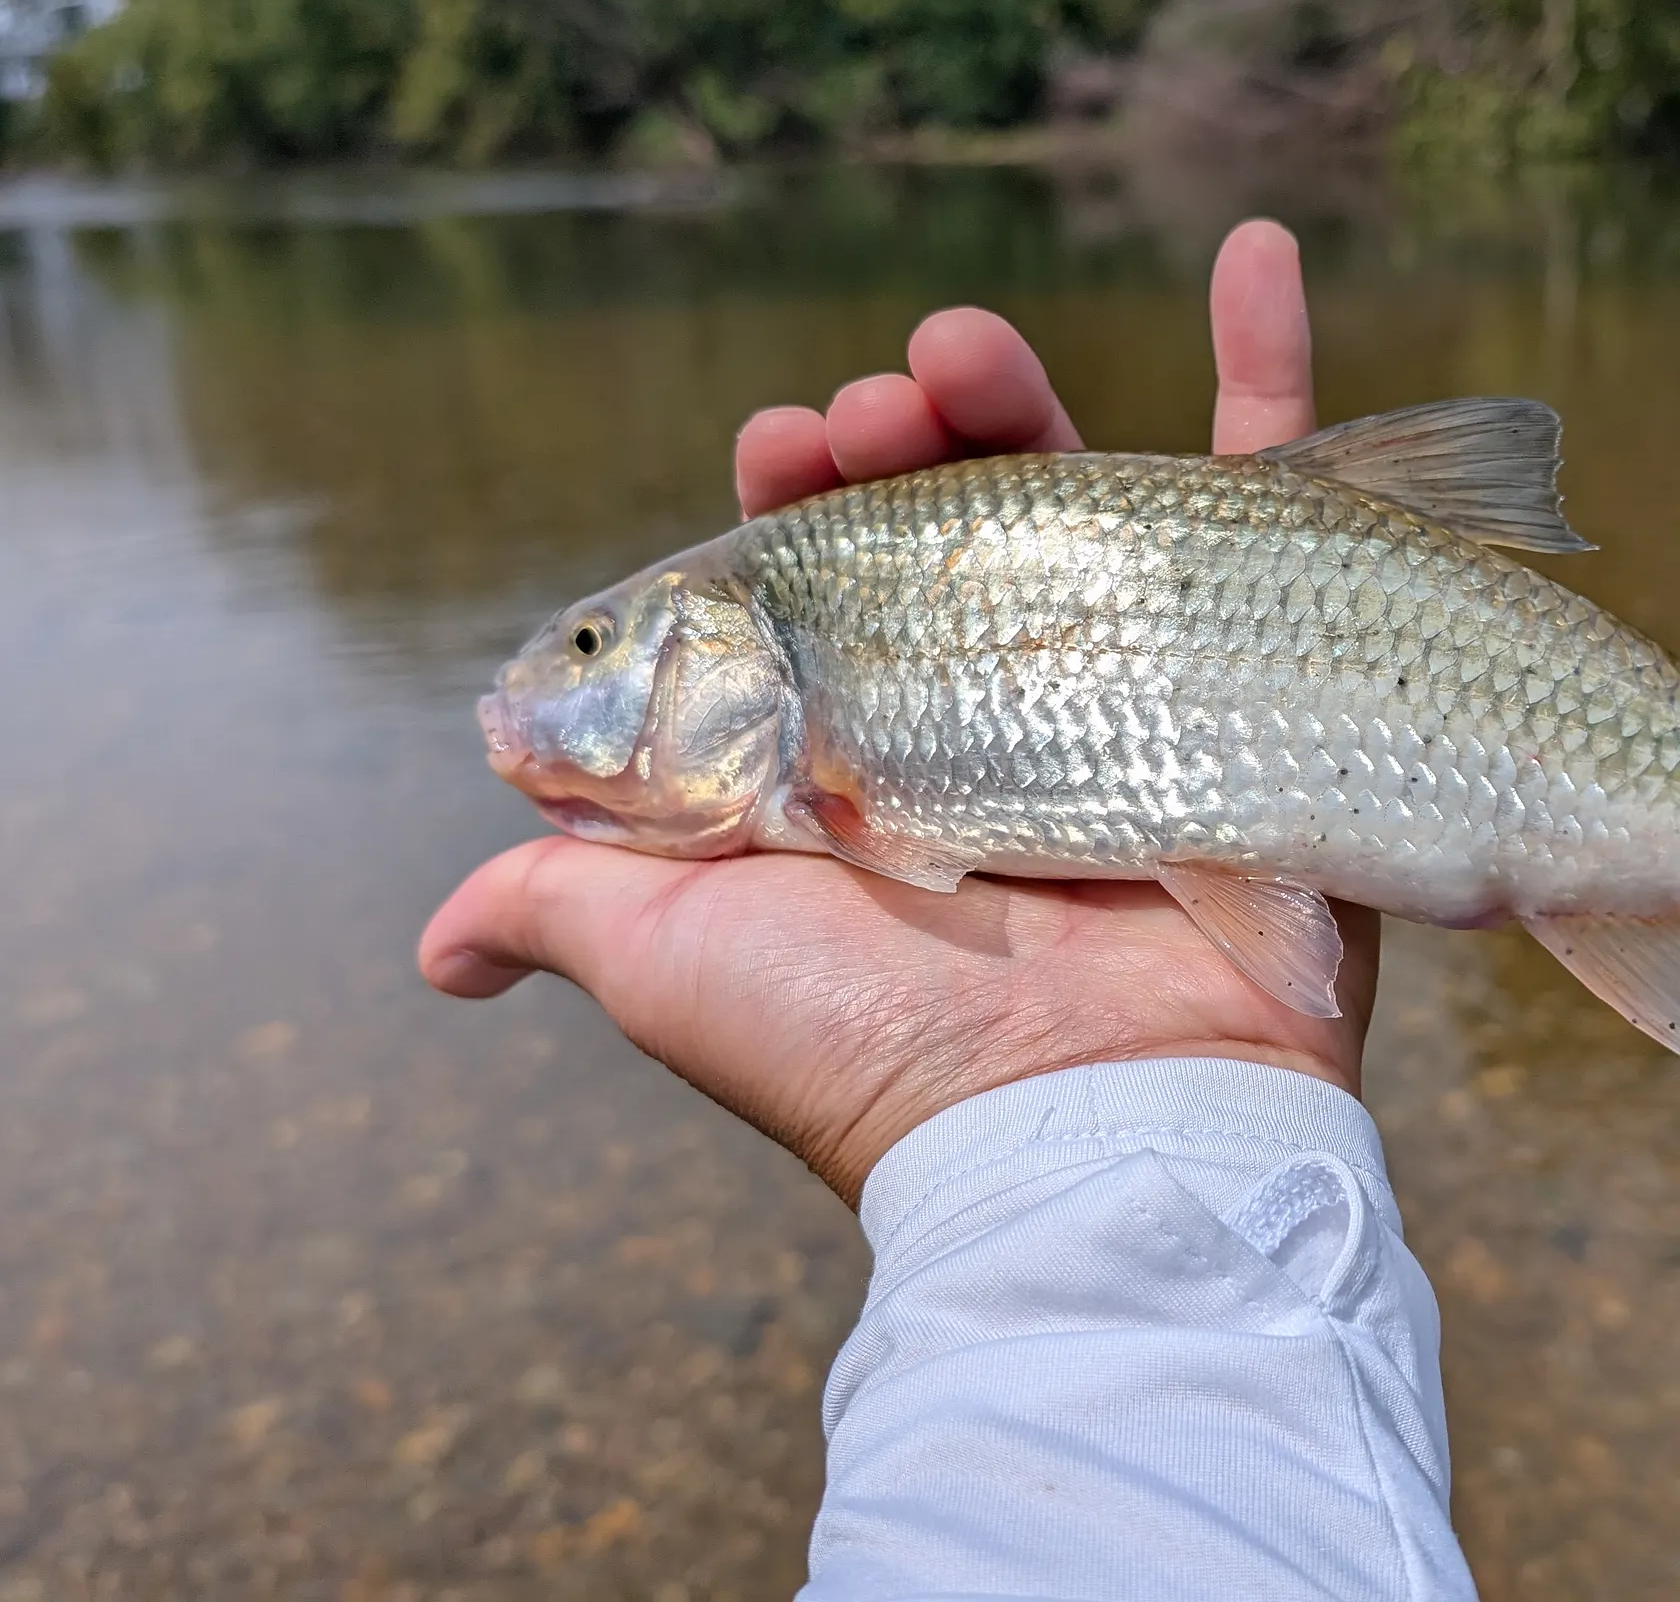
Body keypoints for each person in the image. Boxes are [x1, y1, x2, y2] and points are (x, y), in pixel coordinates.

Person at [418, 219, 1478, 1601]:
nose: (556, 684)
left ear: (735, 653)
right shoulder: (804, 674)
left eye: (589, 647)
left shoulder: (815, 676)